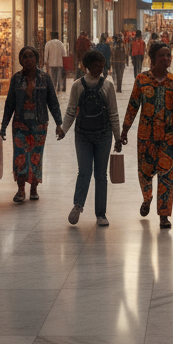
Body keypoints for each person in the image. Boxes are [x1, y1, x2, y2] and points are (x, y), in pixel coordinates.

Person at [122, 41, 173, 228]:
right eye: (162, 55)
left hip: (169, 136)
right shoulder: (142, 80)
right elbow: (133, 106)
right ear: (153, 58)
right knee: (145, 172)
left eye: (168, 55)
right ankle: (147, 197)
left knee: (167, 175)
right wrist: (124, 130)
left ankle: (164, 215)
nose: (167, 59)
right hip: (146, 135)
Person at [58, 47, 122, 226]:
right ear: (87, 66)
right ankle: (78, 206)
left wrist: (117, 137)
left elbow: (113, 113)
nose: (100, 68)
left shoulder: (108, 86)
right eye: (96, 65)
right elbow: (71, 110)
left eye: (101, 64)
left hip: (104, 135)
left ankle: (101, 213)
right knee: (84, 172)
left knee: (101, 175)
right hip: (83, 136)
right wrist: (64, 129)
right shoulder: (77, 85)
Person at [1, 46, 63, 203]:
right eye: (24, 57)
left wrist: (59, 123)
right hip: (20, 125)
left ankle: (34, 188)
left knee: (36, 156)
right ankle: (21, 190)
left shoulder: (45, 78)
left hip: (39, 124)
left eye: (30, 56)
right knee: (20, 156)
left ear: (37, 59)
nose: (27, 59)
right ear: (20, 60)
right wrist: (3, 126)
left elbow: (53, 102)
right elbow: (9, 103)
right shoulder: (16, 79)